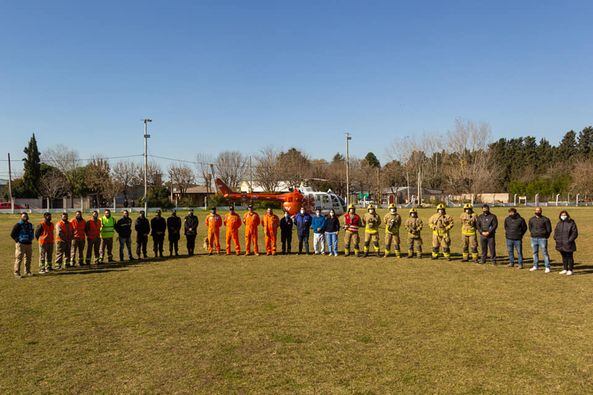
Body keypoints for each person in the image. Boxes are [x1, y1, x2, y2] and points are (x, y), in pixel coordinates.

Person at [554, 210, 578, 276]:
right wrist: (555, 238)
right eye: (562, 215)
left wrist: (569, 240)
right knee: (564, 257)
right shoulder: (559, 223)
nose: (563, 216)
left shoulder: (571, 223)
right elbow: (556, 231)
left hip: (568, 243)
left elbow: (574, 233)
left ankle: (570, 270)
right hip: (560, 243)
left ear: (567, 215)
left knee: (569, 257)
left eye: (564, 215)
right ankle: (565, 269)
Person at [528, 207, 552, 273]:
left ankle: (547, 267)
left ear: (541, 211)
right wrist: (533, 233)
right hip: (533, 238)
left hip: (542, 238)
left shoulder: (545, 219)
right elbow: (530, 228)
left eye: (539, 210)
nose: (537, 212)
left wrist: (545, 236)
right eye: (536, 210)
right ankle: (535, 266)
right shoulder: (531, 219)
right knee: (534, 253)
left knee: (545, 253)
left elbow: (549, 229)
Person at [11, 212, 34, 278]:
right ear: (21, 217)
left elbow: (32, 231)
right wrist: (17, 241)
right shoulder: (18, 225)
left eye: (26, 216)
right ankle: (16, 273)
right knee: (19, 258)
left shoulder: (30, 224)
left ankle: (27, 271)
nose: (25, 217)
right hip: (21, 244)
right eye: (23, 216)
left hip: (29, 244)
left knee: (28, 258)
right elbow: (12, 234)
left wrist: (31, 238)